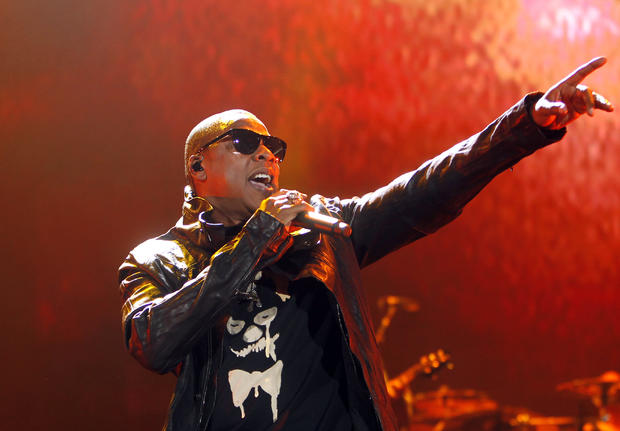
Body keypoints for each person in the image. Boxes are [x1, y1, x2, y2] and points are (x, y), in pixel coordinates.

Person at [118, 57, 613, 431]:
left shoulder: (321, 230)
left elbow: (423, 190)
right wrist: (258, 239)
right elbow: (152, 343)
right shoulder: (157, 258)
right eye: (244, 142)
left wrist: (522, 127)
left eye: (274, 148)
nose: (267, 153)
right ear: (199, 170)